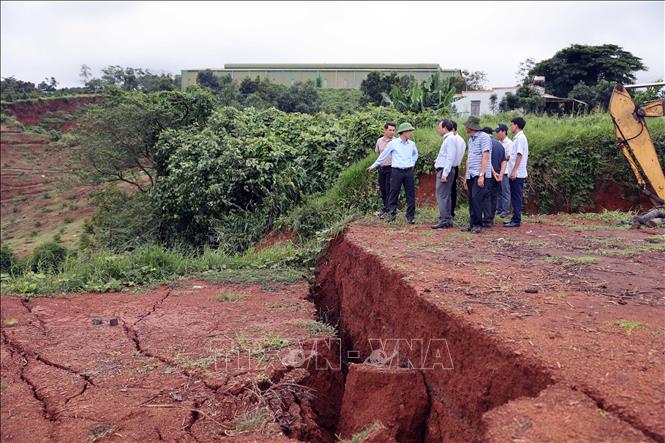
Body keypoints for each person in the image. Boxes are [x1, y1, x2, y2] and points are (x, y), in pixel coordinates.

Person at [367, 122, 419, 224]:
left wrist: (412, 163)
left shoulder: (412, 144)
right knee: (393, 192)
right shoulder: (393, 144)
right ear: (404, 132)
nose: (411, 133)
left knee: (410, 194)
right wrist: (373, 166)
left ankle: (411, 216)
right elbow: (383, 156)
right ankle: (392, 214)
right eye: (409, 131)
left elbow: (415, 154)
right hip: (396, 171)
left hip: (408, 171)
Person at [461, 116, 491, 233]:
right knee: (471, 199)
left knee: (477, 198)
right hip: (471, 174)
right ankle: (472, 223)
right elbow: (470, 158)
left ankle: (478, 224)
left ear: (471, 127)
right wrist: (466, 176)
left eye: (466, 126)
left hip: (480, 174)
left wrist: (481, 175)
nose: (465, 128)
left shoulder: (484, 137)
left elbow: (485, 156)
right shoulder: (470, 139)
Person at [504, 117, 529, 228]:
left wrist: (514, 171)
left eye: (512, 125)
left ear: (516, 125)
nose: (511, 127)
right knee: (515, 196)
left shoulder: (520, 138)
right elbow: (515, 154)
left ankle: (516, 220)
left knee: (516, 196)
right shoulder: (517, 138)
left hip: (517, 174)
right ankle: (514, 218)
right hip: (516, 172)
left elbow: (519, 155)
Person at [431, 119, 456, 229]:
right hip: (446, 169)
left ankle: (444, 220)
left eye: (440, 127)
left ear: (445, 128)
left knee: (442, 195)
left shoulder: (449, 139)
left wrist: (445, 173)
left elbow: (450, 158)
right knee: (446, 195)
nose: (438, 129)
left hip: (445, 171)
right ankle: (447, 219)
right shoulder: (449, 139)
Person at [480, 127, 506, 227]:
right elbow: (504, 161)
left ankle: (487, 220)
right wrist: (501, 174)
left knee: (486, 197)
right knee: (494, 196)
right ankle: (491, 218)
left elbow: (486, 159)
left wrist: (493, 172)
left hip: (488, 174)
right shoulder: (500, 145)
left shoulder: (486, 144)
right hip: (498, 175)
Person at [375, 122, 396, 217]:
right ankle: (385, 208)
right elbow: (378, 154)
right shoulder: (379, 141)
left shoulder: (396, 141)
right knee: (383, 189)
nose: (392, 132)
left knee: (389, 189)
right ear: (385, 130)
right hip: (382, 168)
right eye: (390, 130)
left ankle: (390, 210)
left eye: (393, 130)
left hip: (392, 168)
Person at [494, 123, 513, 218]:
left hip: (505, 171)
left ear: (504, 132)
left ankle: (505, 210)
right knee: (498, 191)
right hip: (498, 171)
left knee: (505, 191)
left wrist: (501, 159)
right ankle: (499, 209)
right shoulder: (498, 143)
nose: (497, 133)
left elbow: (508, 157)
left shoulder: (509, 143)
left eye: (498, 132)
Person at [451, 121, 466, 218]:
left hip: (452, 166)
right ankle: (450, 210)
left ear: (452, 129)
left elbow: (453, 157)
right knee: (451, 190)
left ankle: (451, 211)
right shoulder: (457, 139)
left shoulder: (457, 140)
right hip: (453, 166)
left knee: (451, 190)